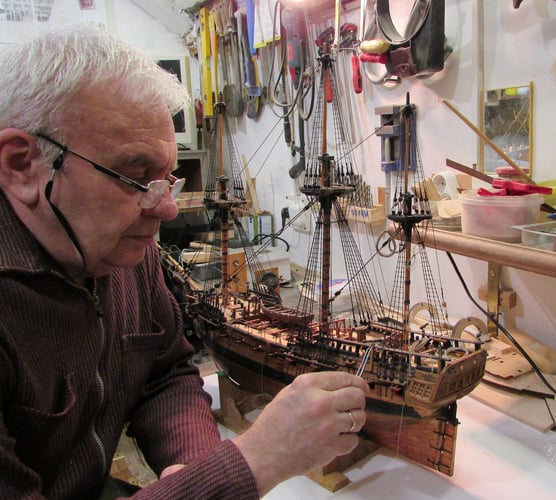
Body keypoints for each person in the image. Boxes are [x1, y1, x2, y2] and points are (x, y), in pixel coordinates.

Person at [0, 25, 369, 499]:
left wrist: (192, 466)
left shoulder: (125, 252)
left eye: (168, 178)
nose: (167, 207)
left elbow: (165, 372)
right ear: (20, 165)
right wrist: (254, 461)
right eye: (135, 177)